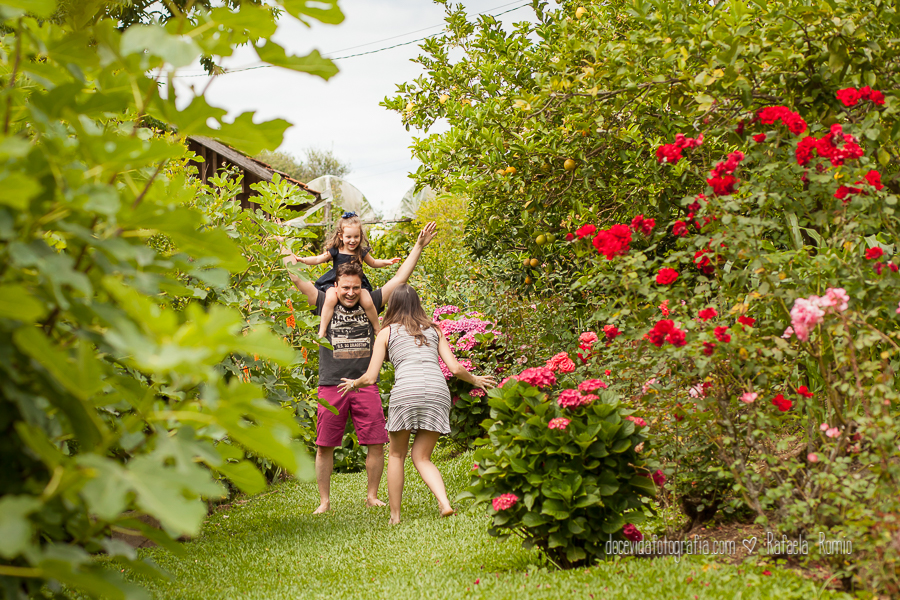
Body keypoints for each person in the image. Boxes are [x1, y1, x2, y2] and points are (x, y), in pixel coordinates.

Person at [280, 222, 437, 514]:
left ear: (360, 287)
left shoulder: (370, 301)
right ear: (336, 286)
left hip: (365, 383)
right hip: (330, 383)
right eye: (346, 288)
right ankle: (324, 501)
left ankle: (372, 495)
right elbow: (296, 277)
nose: (351, 293)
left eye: (355, 288)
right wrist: (282, 243)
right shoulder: (322, 299)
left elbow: (401, 277)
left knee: (376, 442)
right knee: (325, 445)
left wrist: (418, 246)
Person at [337, 284, 497, 524]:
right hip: (437, 392)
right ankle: (444, 503)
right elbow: (454, 368)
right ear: (417, 304)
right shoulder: (435, 329)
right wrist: (475, 380)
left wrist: (353, 383)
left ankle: (395, 517)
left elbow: (370, 377)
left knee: (397, 455)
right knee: (422, 457)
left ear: (393, 306)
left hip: (407, 392)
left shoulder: (387, 333)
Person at [286, 211, 399, 338]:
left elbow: (373, 262)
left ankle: (377, 328)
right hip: (334, 280)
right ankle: (322, 330)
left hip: (356, 282)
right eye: (348, 237)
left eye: (356, 237)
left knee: (367, 301)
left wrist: (387, 262)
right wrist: (303, 260)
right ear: (341, 236)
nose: (353, 240)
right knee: (330, 299)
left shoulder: (361, 251)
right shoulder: (336, 249)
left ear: (360, 236)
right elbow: (318, 259)